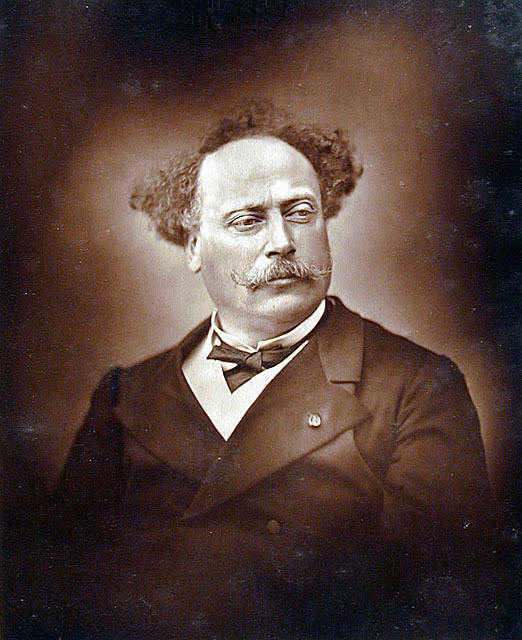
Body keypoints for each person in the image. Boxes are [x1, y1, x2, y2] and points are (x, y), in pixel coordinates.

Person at [51, 102, 491, 638]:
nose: (282, 241)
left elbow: (436, 607)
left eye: (301, 212)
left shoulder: (417, 388)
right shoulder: (125, 396)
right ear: (194, 246)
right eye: (248, 220)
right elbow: (62, 593)